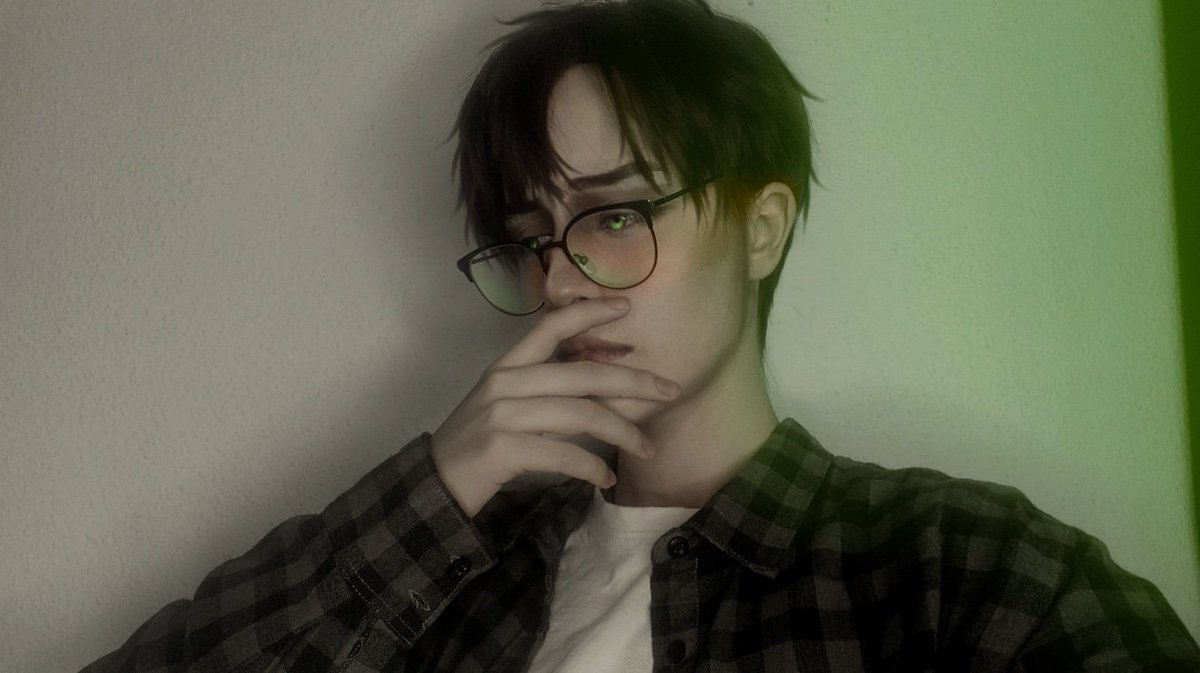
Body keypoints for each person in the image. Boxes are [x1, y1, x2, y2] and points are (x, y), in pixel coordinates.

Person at [83, 1, 1199, 671]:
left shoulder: (957, 568)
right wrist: (437, 489)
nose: (562, 281)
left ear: (761, 228)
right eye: (530, 239)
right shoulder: (460, 576)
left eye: (616, 216)